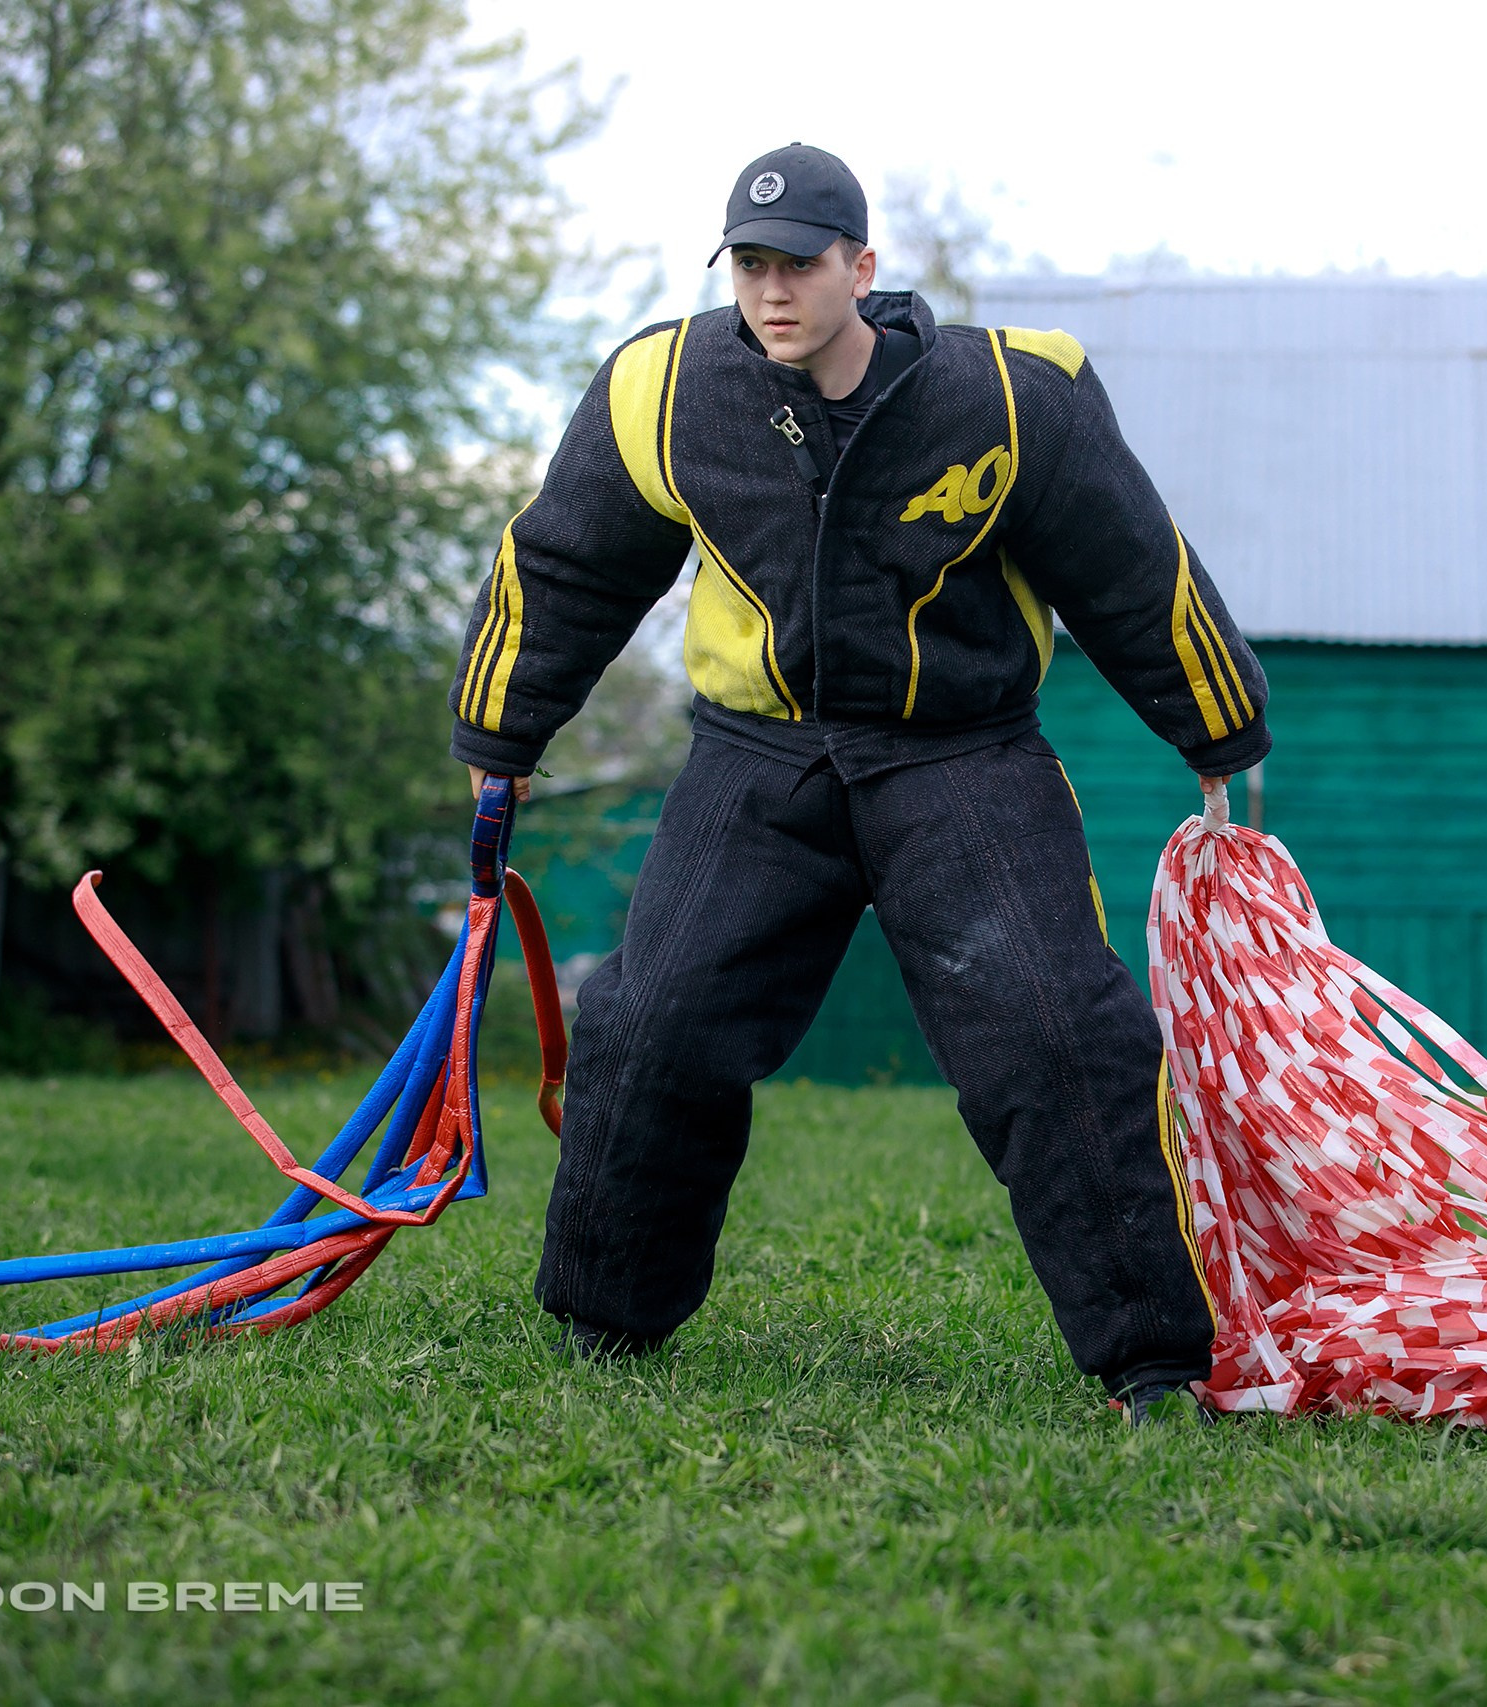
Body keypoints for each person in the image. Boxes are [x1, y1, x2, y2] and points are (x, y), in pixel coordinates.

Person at [451, 143, 1271, 1424]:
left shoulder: (1010, 398)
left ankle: (1152, 1362)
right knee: (648, 1020)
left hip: (963, 757)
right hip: (756, 758)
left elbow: (1132, 569)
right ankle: (604, 1323)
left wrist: (1221, 736)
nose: (773, 292)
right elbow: (565, 569)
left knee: (1060, 1030)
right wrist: (500, 735)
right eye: (752, 266)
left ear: (862, 268)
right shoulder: (661, 389)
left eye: (802, 264)